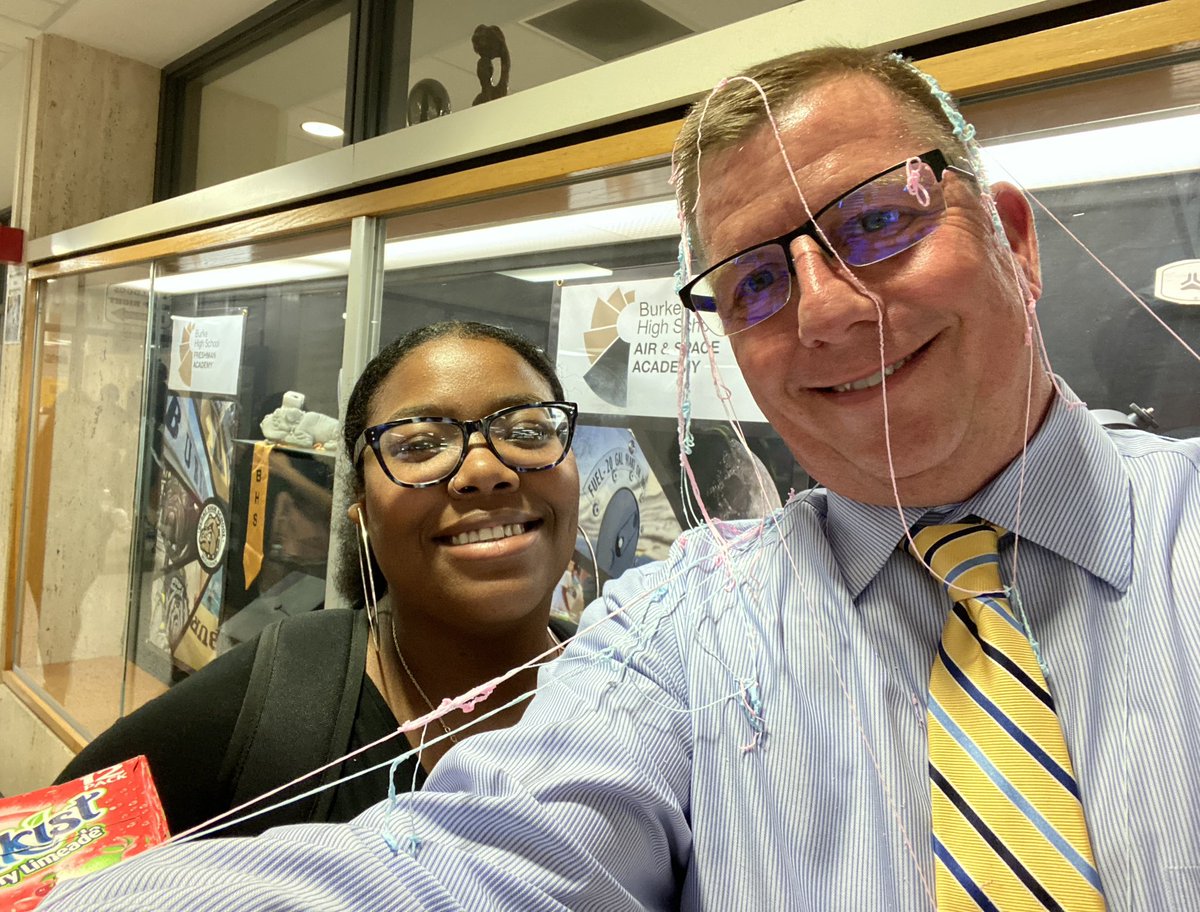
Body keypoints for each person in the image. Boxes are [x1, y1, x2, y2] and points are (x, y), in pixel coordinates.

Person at [42, 47, 1199, 911]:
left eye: (878, 222)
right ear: (353, 499)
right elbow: (476, 864)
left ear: (1017, 239)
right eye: (754, 283)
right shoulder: (674, 630)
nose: (832, 312)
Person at [53, 321, 580, 837]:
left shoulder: (636, 688)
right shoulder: (272, 709)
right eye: (419, 444)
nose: (485, 470)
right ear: (361, 508)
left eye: (528, 432)